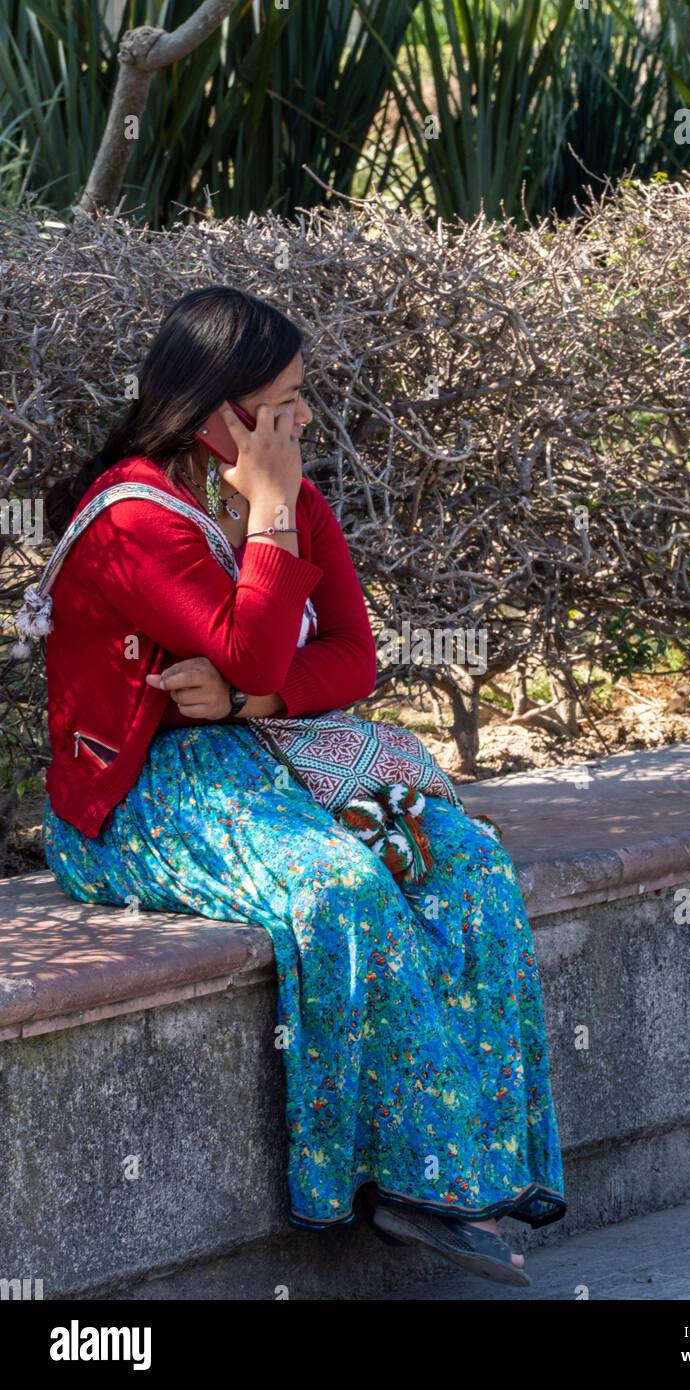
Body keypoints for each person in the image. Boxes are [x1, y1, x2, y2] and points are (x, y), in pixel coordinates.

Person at [41, 285, 566, 1288]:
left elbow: (352, 659)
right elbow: (254, 636)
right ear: (217, 412)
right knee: (341, 888)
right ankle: (398, 1182)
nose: (303, 419)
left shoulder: (289, 497)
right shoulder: (132, 521)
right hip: (141, 802)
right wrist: (270, 516)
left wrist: (244, 700)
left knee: (464, 861)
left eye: (299, 398)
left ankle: (483, 1172)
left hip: (269, 752)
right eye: (283, 401)